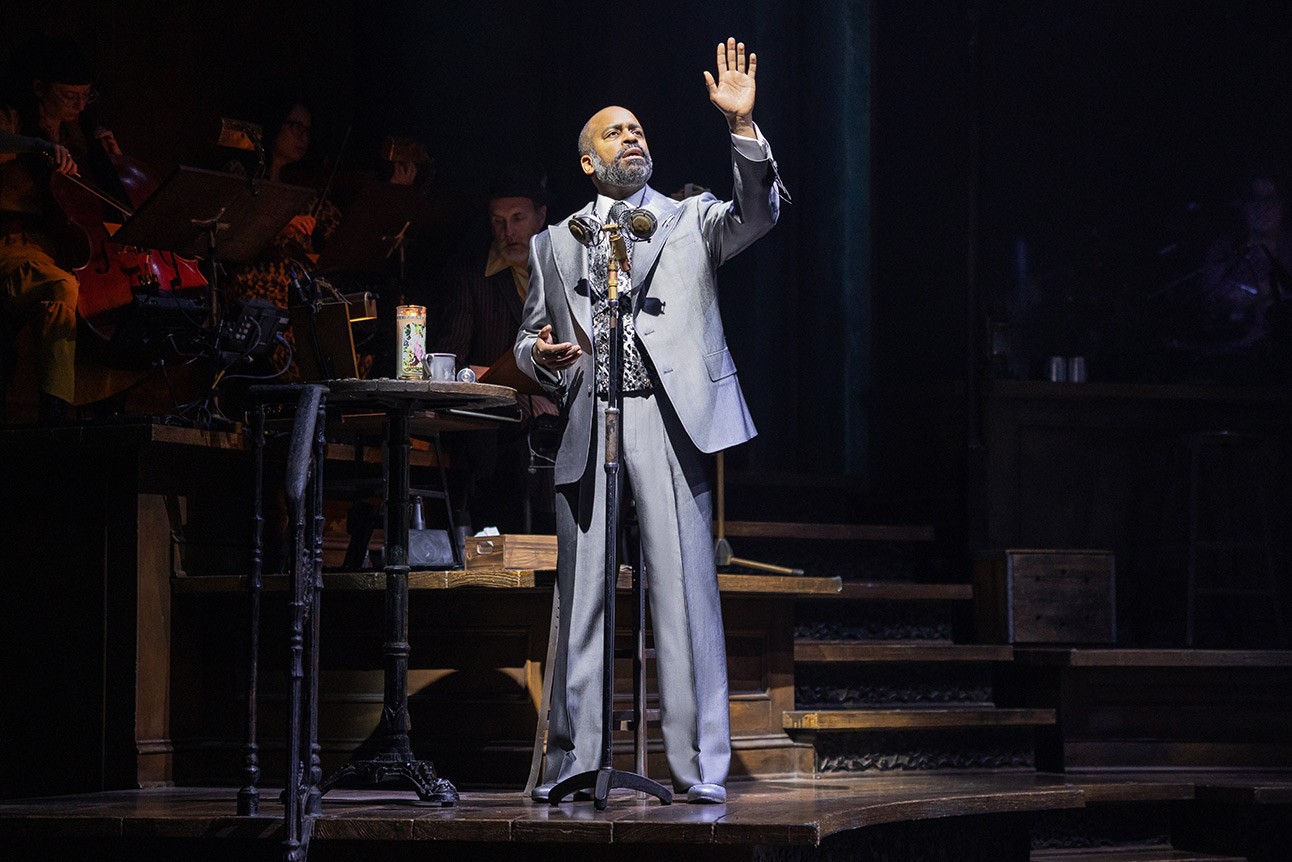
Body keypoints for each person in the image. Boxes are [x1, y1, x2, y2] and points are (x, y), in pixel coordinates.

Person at [515, 38, 786, 805]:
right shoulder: (550, 245)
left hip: (669, 424)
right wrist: (541, 356)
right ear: (588, 163)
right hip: (586, 423)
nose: (633, 137)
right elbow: (526, 339)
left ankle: (700, 768)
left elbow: (760, 212)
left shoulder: (693, 218)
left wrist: (743, 131)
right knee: (585, 598)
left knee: (684, 594)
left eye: (638, 129)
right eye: (615, 132)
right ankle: (575, 761)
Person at [434, 167, 557, 534]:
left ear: (541, 216)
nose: (508, 231)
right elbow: (449, 362)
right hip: (498, 426)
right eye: (498, 220)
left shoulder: (561, 274)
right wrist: (512, 390)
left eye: (518, 218)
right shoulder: (474, 279)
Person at [0, 37, 114, 423]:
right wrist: (35, 145)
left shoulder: (75, 134)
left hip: (53, 253)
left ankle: (58, 418)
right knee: (61, 287)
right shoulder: (12, 120)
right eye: (69, 96)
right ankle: (55, 421)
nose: (80, 107)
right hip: (11, 249)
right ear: (38, 89)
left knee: (67, 303)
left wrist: (110, 161)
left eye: (86, 97)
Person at [1196, 173, 1292, 382]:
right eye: (1254, 200)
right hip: (1230, 355)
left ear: (1282, 204)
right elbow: (1215, 299)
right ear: (1243, 205)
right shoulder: (1224, 248)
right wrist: (1268, 292)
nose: (1262, 208)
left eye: (1270, 200)